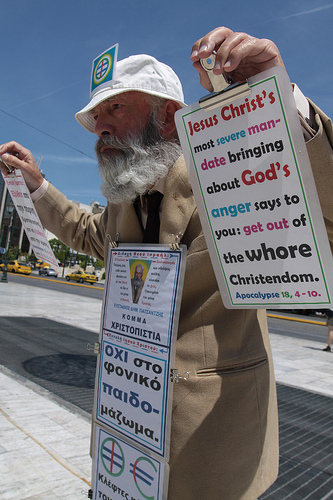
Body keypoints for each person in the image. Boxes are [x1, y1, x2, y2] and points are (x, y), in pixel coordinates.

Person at [1, 27, 333, 499]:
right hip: (125, 441)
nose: (101, 128)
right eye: (97, 116)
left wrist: (277, 104)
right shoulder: (125, 198)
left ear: (172, 117)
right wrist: (36, 185)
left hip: (211, 450)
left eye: (116, 108)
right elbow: (85, 231)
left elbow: (321, 216)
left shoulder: (230, 175)